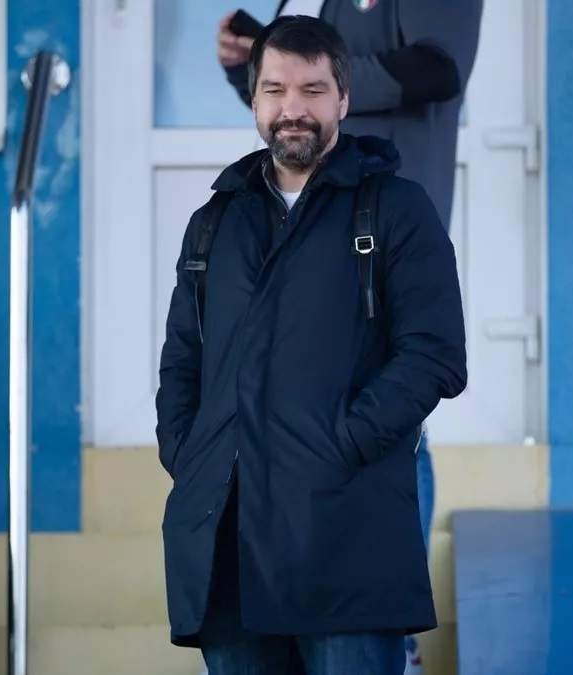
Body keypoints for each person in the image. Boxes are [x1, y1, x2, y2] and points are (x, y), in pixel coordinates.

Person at [158, 16, 467, 675]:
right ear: (254, 100)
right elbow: (183, 358)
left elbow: (435, 355)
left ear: (344, 100)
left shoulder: (396, 209)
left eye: (312, 89)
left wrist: (344, 443)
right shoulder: (214, 222)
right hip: (228, 553)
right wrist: (187, 454)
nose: (292, 108)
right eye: (274, 90)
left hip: (347, 544)